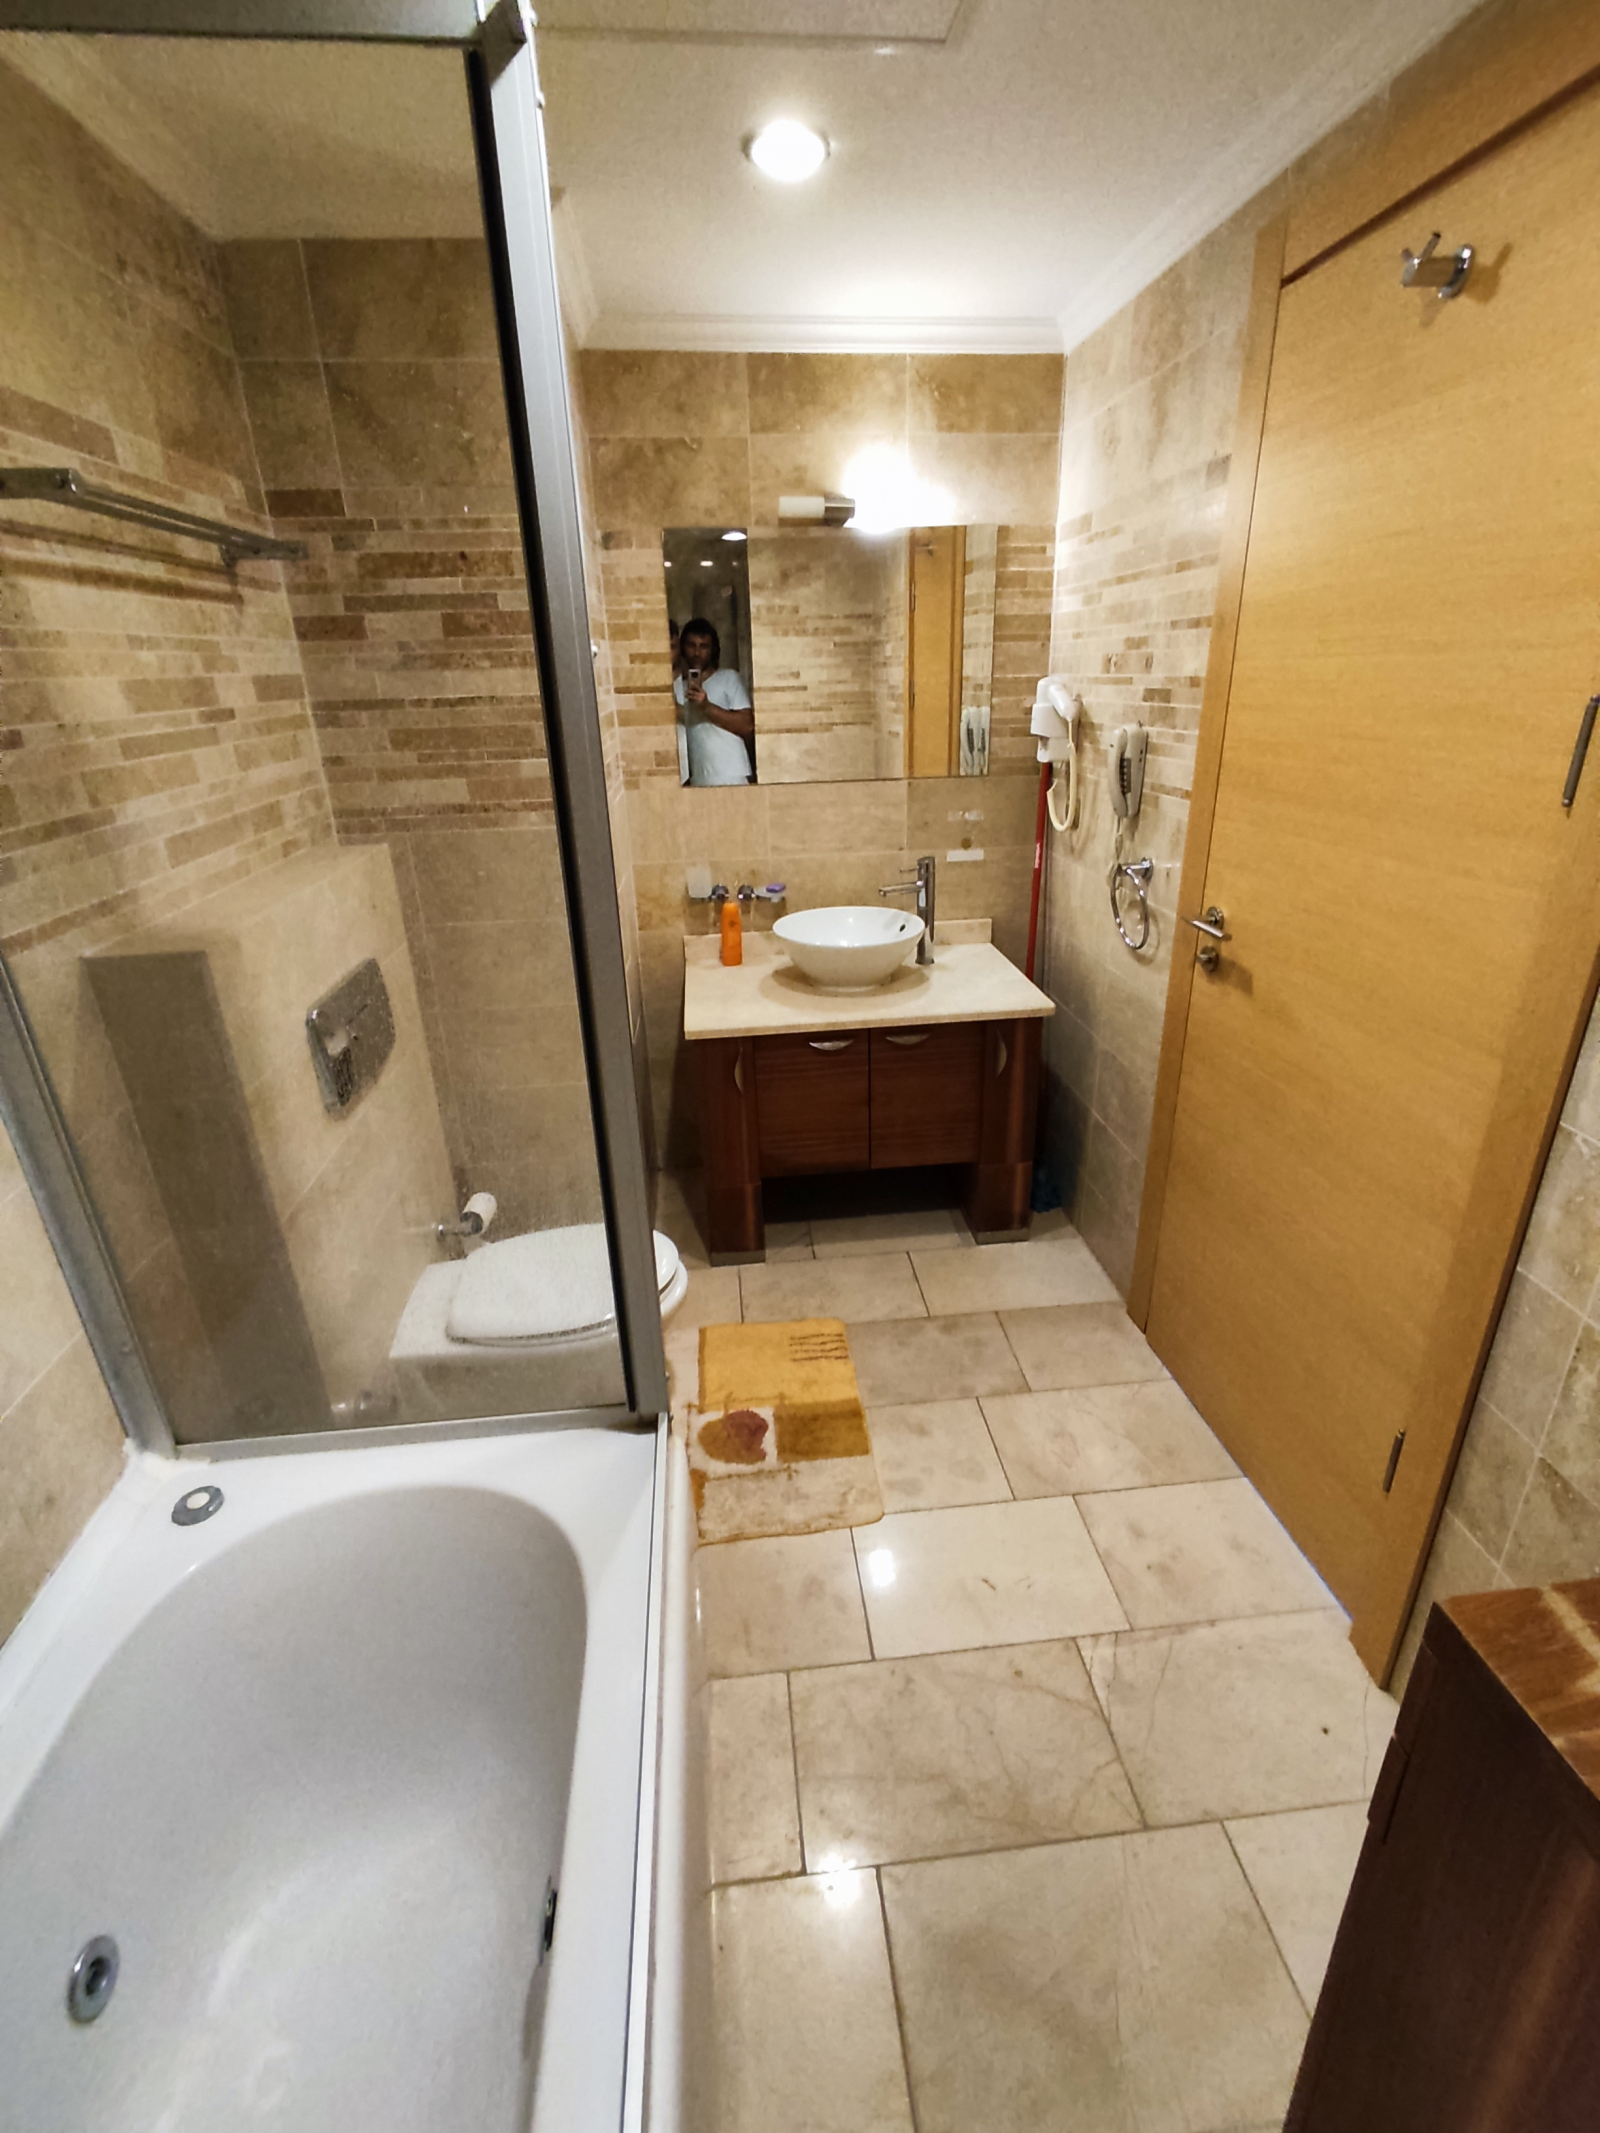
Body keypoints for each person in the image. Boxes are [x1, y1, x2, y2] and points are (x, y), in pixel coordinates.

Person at [674, 618, 754, 785]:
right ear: (683, 648)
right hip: (697, 778)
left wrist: (707, 707)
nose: (697, 653)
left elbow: (747, 725)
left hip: (732, 775)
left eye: (704, 646)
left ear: (713, 650)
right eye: (691, 645)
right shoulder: (676, 687)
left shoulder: (728, 678)